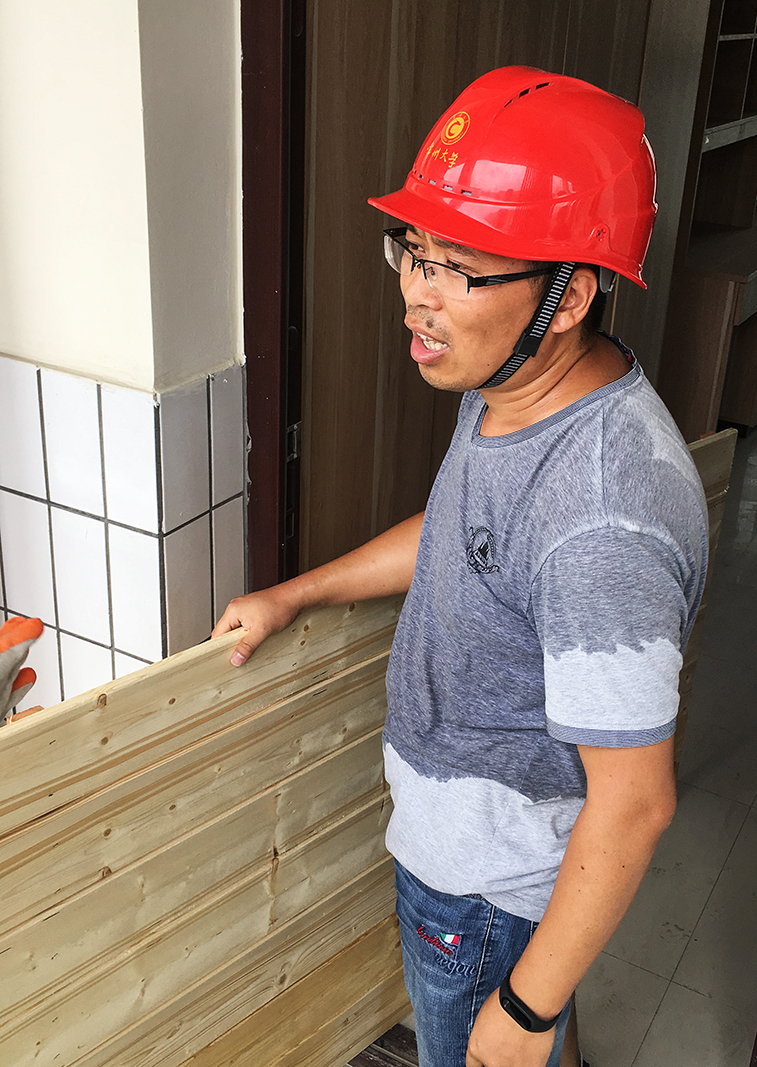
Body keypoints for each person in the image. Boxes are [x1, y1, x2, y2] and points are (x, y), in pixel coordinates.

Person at [212, 67, 708, 1067]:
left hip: (493, 900)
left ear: (567, 295)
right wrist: (293, 593)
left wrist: (523, 1010)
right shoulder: (513, 386)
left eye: (458, 269)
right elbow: (462, 534)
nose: (415, 294)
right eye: (412, 250)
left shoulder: (599, 519)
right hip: (473, 868)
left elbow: (634, 803)